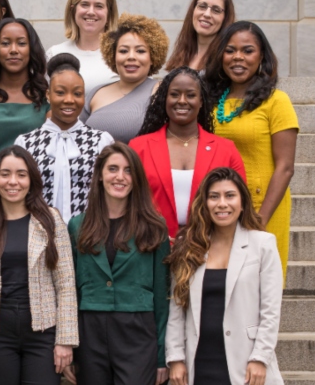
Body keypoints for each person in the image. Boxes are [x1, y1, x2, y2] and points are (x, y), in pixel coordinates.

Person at [0, 146, 78, 385]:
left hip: (43, 333)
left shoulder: (51, 220)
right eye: (5, 174)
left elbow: (65, 283)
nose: (12, 181)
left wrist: (65, 339)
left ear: (31, 179)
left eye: (21, 174)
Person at [165, 167, 284, 385]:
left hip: (246, 362)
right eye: (214, 197)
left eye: (230, 195)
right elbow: (176, 309)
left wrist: (260, 358)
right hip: (197, 363)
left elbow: (270, 311)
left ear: (242, 203)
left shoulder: (263, 244)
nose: (222, 204)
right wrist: (176, 358)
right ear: (204, 203)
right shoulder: (189, 247)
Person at [66, 142, 170, 385]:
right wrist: (69, 346)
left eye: (128, 170)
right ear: (100, 175)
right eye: (113, 169)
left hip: (137, 330)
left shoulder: (154, 227)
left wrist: (161, 356)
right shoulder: (77, 226)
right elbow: (69, 293)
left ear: (136, 178)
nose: (120, 177)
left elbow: (162, 296)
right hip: (89, 331)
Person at [204, 21, 298, 280]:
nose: (238, 58)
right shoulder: (210, 100)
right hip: (219, 205)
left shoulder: (277, 101)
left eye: (248, 51)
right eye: (230, 50)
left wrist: (260, 219)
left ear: (262, 57)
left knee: (259, 285)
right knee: (220, 283)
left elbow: (285, 167)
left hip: (263, 205)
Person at [129, 66, 246, 242]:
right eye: (175, 94)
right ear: (164, 99)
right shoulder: (139, 147)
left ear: (201, 101)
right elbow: (128, 202)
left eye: (190, 95)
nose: (182, 100)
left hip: (210, 246)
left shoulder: (226, 149)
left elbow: (238, 202)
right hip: (150, 246)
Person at [15, 53, 113, 222]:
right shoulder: (26, 143)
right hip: (39, 235)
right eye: (60, 92)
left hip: (88, 236)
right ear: (48, 95)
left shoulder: (101, 141)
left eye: (77, 93)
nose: (69, 100)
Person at [81, 13, 169, 144]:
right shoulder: (96, 93)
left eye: (140, 51)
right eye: (123, 51)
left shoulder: (163, 92)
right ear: (113, 55)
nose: (131, 57)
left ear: (152, 57)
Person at [0, 18, 50, 151]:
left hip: (35, 171)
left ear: (31, 49)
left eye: (21, 43)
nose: (13, 50)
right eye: (6, 43)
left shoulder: (46, 95)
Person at [46, 0, 120, 93]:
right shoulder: (55, 53)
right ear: (73, 10)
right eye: (84, 4)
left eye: (99, 6)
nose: (91, 12)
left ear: (109, 13)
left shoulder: (122, 54)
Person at [165, 0, 235, 72]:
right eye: (202, 6)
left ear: (225, 18)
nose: (207, 14)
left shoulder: (226, 60)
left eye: (216, 10)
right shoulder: (182, 54)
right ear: (193, 10)